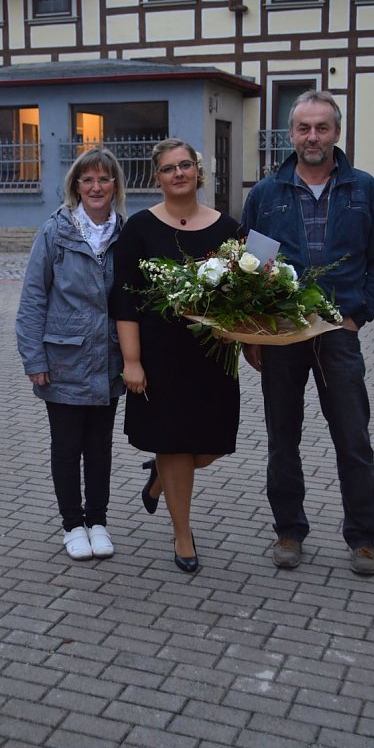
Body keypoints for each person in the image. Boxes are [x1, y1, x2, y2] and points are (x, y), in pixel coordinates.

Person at [242, 90, 374, 575]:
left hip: (338, 332)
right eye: (304, 128)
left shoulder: (363, 189)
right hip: (283, 334)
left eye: (322, 128)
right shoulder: (267, 194)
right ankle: (289, 531)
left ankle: (363, 539)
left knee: (353, 438)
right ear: (291, 134)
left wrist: (359, 314)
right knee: (282, 439)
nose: (313, 137)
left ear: (336, 132)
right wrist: (254, 332)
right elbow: (251, 265)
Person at [111, 138, 241, 572]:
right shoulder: (139, 229)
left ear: (198, 172)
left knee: (209, 447)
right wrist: (131, 361)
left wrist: (249, 336)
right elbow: (125, 300)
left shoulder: (228, 229)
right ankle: (182, 535)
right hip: (160, 358)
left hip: (213, 358)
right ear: (158, 178)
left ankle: (160, 480)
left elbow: (246, 293)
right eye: (169, 168)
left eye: (185, 165)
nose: (179, 173)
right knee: (173, 444)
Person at [16, 148, 126, 561]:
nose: (96, 187)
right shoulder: (55, 232)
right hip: (64, 361)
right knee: (66, 448)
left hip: (107, 360)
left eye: (104, 179)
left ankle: (97, 522)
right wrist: (34, 359)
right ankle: (72, 525)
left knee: (99, 449)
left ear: (115, 185)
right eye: (88, 180)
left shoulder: (125, 233)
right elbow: (33, 298)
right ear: (76, 186)